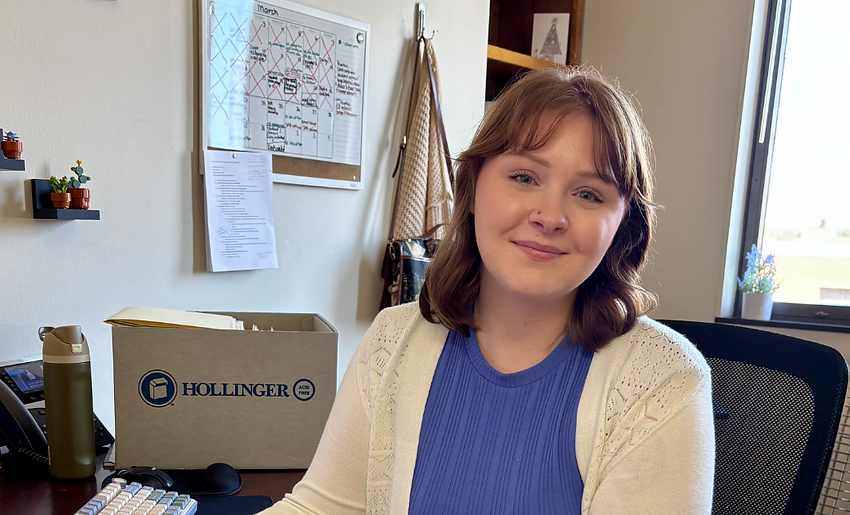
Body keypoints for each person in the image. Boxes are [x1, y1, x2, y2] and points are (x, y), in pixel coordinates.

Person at [264, 67, 715, 514]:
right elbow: (322, 508)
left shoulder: (663, 380)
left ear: (621, 227)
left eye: (589, 194)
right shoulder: (392, 340)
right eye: (524, 177)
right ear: (474, 187)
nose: (550, 215)